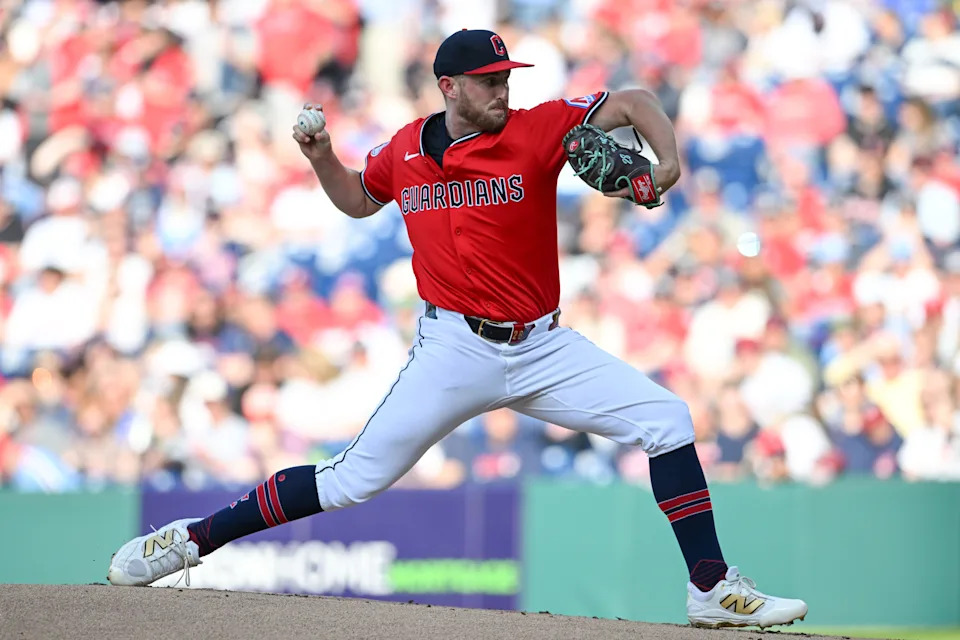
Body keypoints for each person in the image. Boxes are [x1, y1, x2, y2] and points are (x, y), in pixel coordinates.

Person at [107, 29, 807, 629]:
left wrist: (667, 161)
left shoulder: (538, 127)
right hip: (453, 346)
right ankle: (190, 540)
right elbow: (358, 199)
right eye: (489, 81)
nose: (503, 90)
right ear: (449, 86)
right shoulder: (406, 148)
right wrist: (321, 155)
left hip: (543, 345)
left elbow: (633, 102)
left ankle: (711, 588)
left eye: (506, 78)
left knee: (667, 418)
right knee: (350, 480)